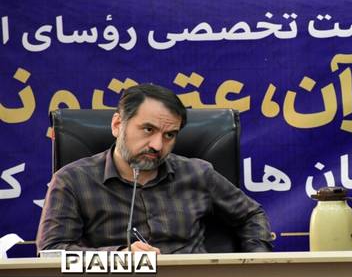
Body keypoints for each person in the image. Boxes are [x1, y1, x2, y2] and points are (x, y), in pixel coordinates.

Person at [37, 83, 273, 254]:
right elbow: (51, 252)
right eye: (148, 130)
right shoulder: (72, 180)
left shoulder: (198, 174)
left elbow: (252, 215)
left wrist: (255, 263)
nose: (158, 145)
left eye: (169, 135)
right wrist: (118, 258)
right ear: (118, 124)